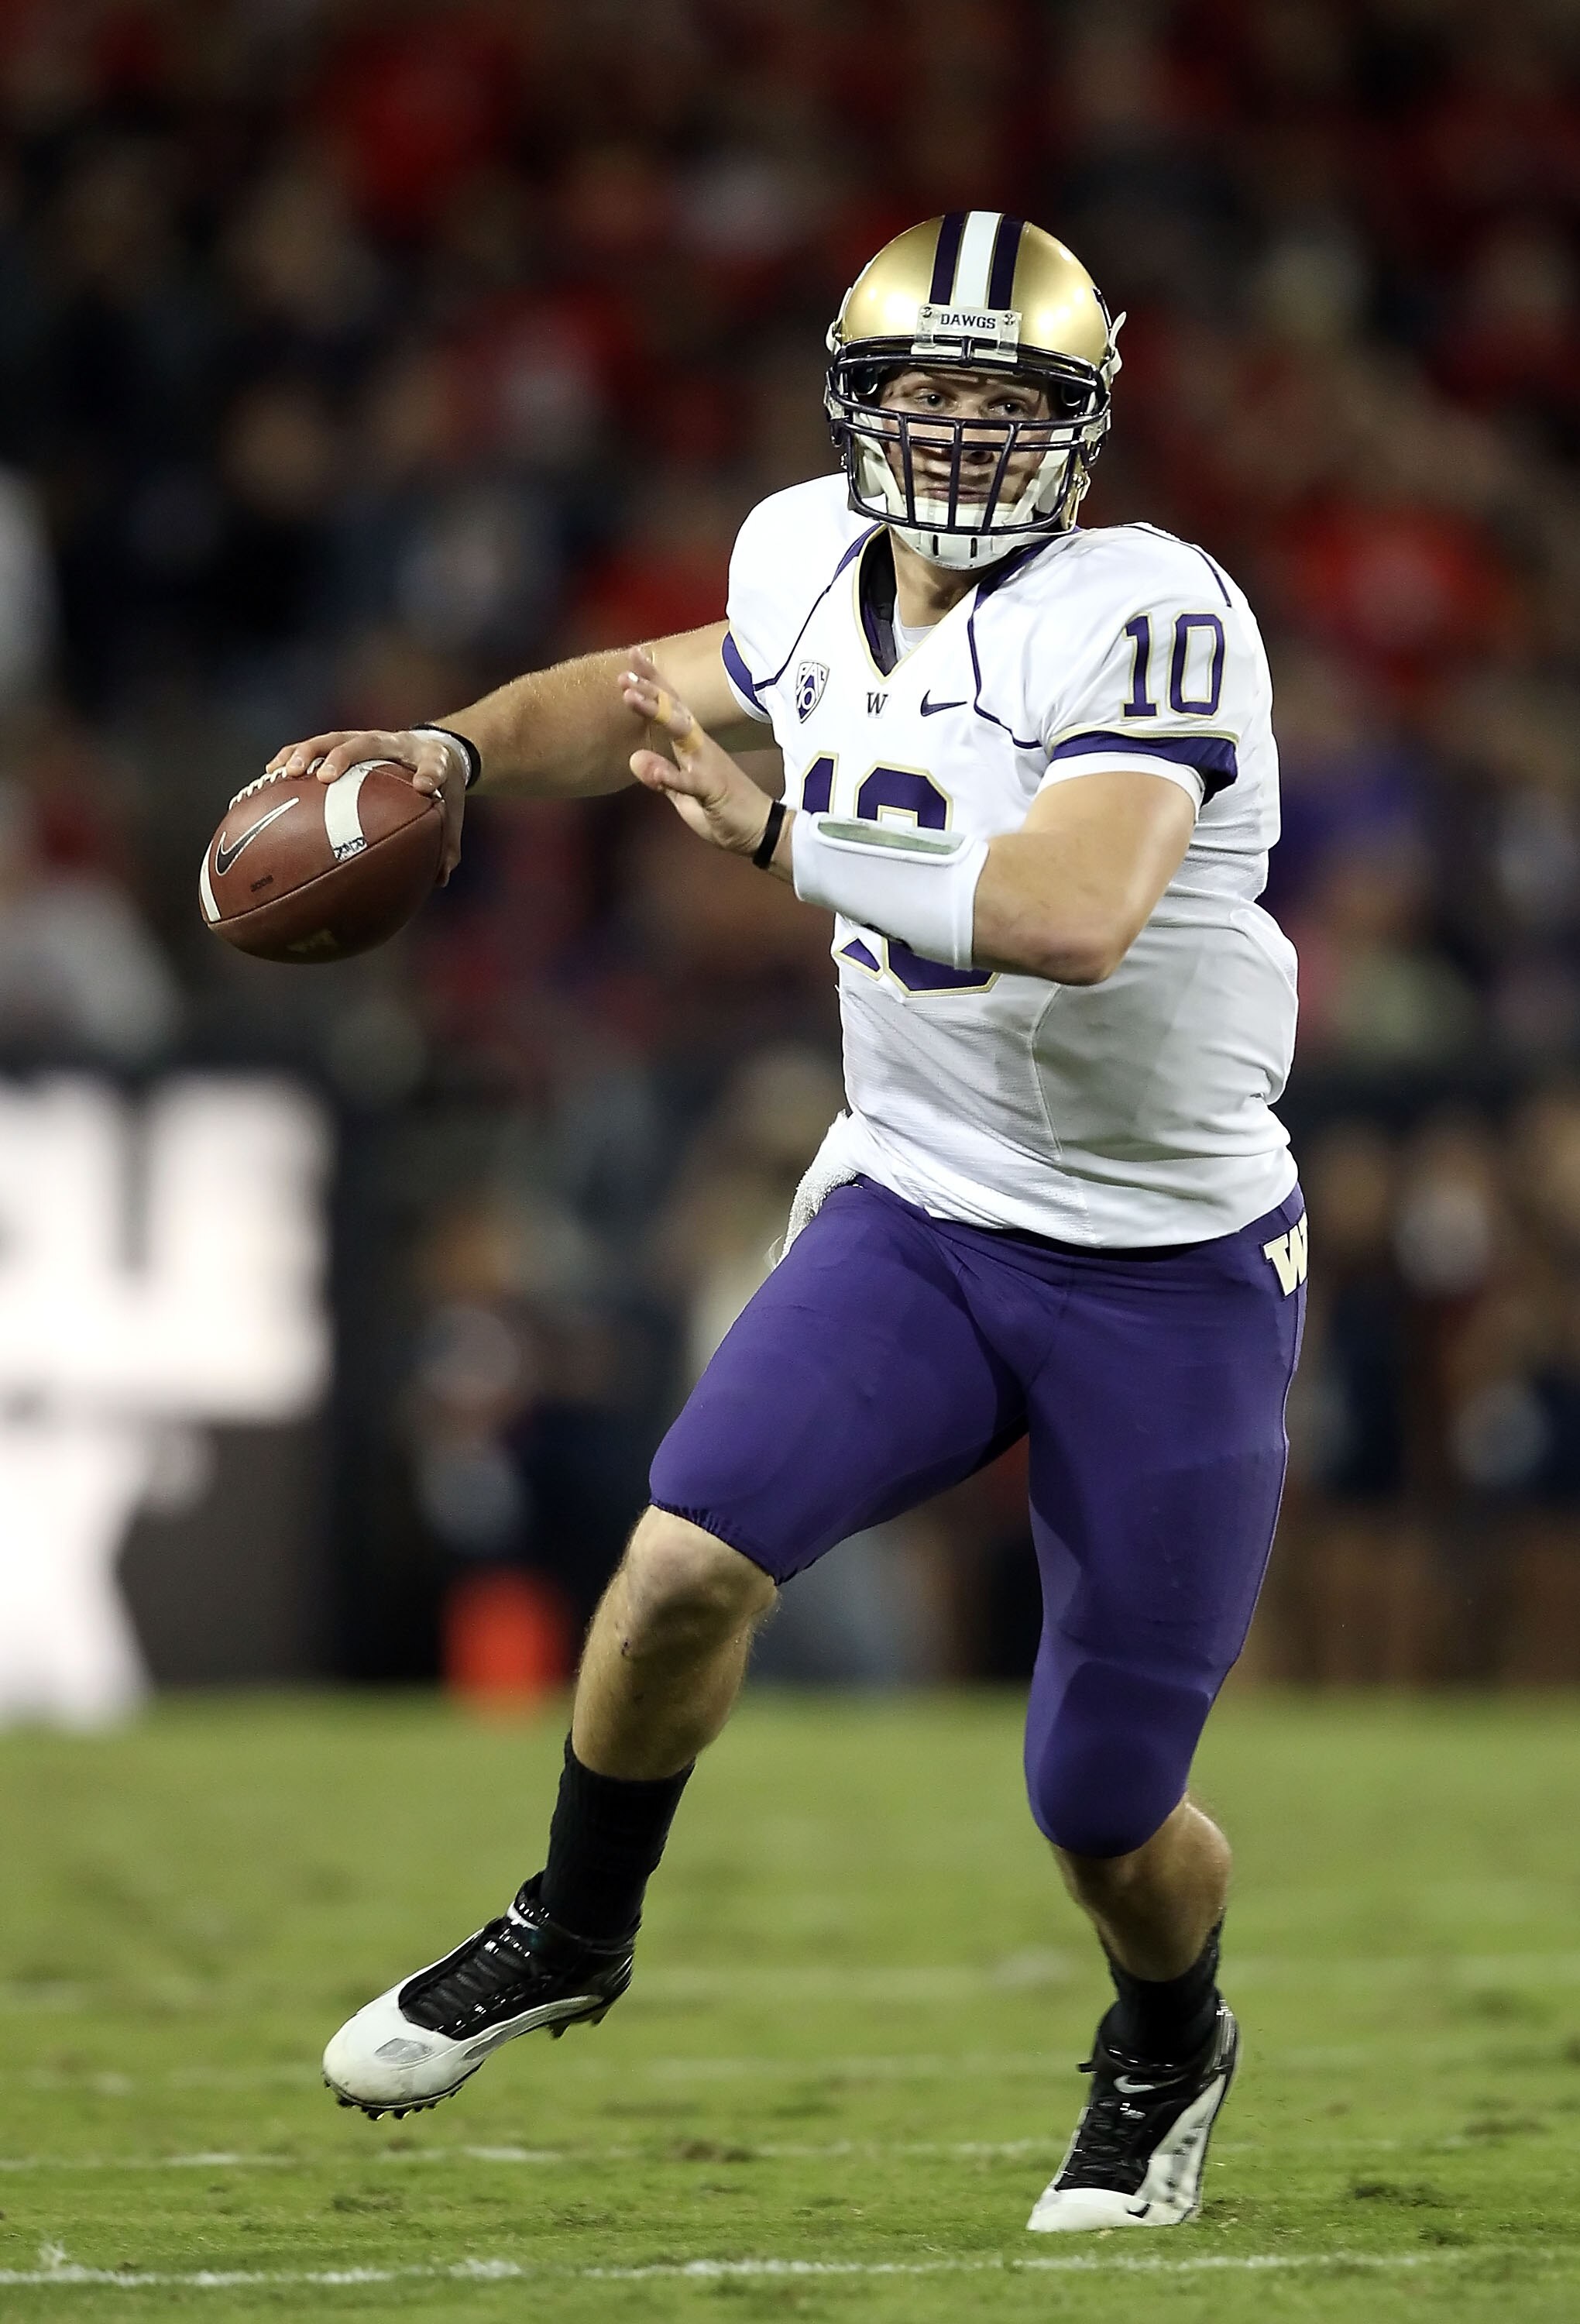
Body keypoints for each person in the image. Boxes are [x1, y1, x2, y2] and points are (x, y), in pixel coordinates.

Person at [283, 213, 1304, 2235]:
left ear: (1083, 426)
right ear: (853, 403)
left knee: (1104, 1807)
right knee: (678, 1567)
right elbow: (634, 697)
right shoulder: (802, 563)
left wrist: (782, 836)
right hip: (923, 1205)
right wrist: (455, 749)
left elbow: (1076, 915)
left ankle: (1169, 2036)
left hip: (1167, 1261)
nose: (960, 434)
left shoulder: (1153, 608)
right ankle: (573, 1925)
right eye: (927, 391)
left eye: (1005, 399)